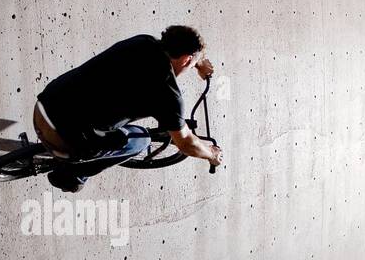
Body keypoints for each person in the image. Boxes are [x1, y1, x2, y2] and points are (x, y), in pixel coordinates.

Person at [32, 26, 223, 193]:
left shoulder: (143, 41)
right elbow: (186, 144)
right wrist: (211, 154)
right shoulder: (168, 95)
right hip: (62, 138)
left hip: (44, 106)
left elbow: (182, 48)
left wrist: (198, 61)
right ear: (186, 59)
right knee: (140, 140)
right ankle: (73, 175)